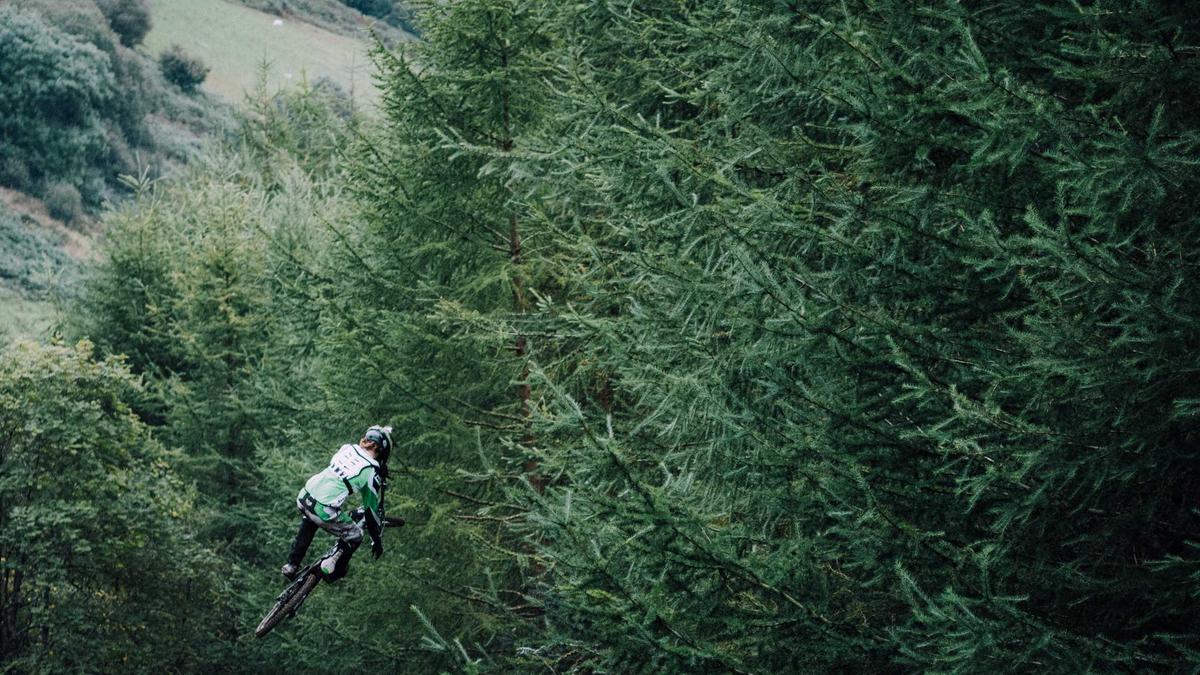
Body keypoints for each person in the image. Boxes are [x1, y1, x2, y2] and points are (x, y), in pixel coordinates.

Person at [281, 425, 392, 581]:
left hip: (304, 495)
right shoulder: (371, 471)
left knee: (310, 518)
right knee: (355, 535)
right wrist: (377, 541)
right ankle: (332, 569)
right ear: (382, 451)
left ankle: (292, 564)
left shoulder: (347, 448)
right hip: (324, 509)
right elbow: (371, 512)